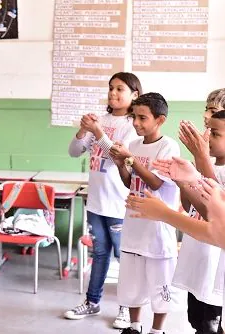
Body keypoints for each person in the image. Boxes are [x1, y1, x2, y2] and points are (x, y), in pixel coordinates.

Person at [64, 72, 142, 329]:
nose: (113, 93)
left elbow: (118, 157)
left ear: (135, 95)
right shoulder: (101, 119)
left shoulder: (133, 126)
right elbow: (74, 152)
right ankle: (92, 301)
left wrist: (97, 131)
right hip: (96, 201)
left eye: (120, 89)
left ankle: (125, 309)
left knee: (124, 256)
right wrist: (83, 130)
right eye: (110, 88)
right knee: (99, 254)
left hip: (120, 203)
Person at [109, 92, 181, 334]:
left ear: (160, 120)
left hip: (157, 229)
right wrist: (121, 164)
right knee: (132, 282)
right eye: (134, 117)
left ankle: (157, 330)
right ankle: (134, 326)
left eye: (142, 118)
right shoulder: (133, 145)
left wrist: (130, 160)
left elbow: (156, 183)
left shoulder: (168, 146)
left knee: (160, 283)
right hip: (134, 224)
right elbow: (131, 182)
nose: (136, 123)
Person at [173, 99, 225, 334]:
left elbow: (214, 211)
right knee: (196, 321)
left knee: (210, 325)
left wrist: (201, 157)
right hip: (196, 255)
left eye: (215, 133)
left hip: (215, 265)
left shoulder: (213, 167)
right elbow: (190, 205)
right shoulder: (207, 163)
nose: (207, 136)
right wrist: (182, 182)